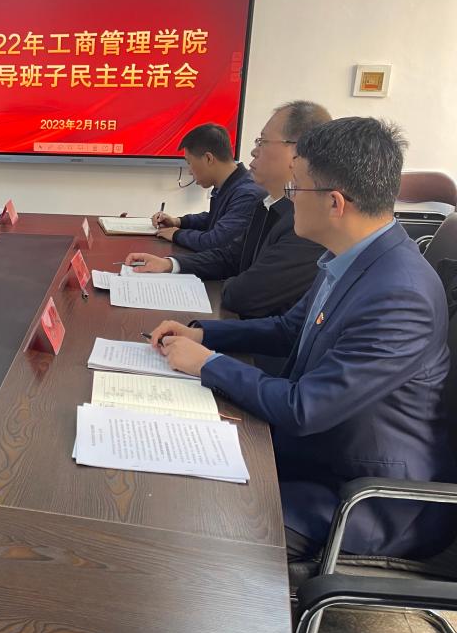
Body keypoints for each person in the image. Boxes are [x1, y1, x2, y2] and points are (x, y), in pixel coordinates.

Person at [148, 117, 456, 559]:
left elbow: (304, 408)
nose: (289, 198)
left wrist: (206, 363)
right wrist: (202, 332)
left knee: (191, 518)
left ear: (334, 202)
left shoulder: (399, 294)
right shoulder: (352, 257)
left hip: (363, 497)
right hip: (320, 454)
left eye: (297, 188)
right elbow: (288, 329)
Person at [126, 102, 329, 319]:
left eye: (262, 142)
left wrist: (235, 280)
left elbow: (244, 294)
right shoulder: (268, 204)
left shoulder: (305, 224)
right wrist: (170, 264)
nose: (253, 151)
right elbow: (230, 257)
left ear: (297, 151)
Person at [151, 123, 266, 250]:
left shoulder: (247, 194)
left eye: (189, 162)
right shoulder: (228, 185)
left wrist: (176, 234)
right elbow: (213, 219)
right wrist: (178, 221)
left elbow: (216, 242)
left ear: (208, 159)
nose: (190, 171)